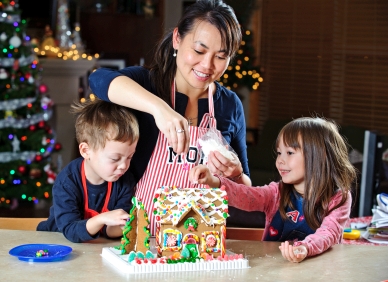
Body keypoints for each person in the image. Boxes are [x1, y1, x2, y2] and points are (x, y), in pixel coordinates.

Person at [88, 0, 252, 234]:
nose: (207, 65)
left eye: (221, 56)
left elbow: (248, 194)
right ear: (177, 39)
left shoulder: (229, 105)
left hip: (197, 246)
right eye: (199, 50)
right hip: (138, 241)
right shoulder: (147, 84)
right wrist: (158, 108)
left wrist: (235, 175)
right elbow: (97, 80)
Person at [189, 117, 357, 263]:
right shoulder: (277, 192)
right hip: (276, 267)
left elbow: (329, 233)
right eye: (279, 153)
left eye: (290, 153)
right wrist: (214, 181)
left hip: (320, 270)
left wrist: (305, 248)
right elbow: (246, 196)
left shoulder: (338, 197)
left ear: (319, 156)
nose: (280, 161)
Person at [37, 98, 139, 243]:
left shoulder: (125, 181)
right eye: (115, 159)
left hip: (94, 249)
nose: (124, 166)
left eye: (129, 157)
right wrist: (103, 218)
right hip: (56, 243)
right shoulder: (67, 181)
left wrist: (126, 225)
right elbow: (70, 230)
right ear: (86, 151)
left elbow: (110, 231)